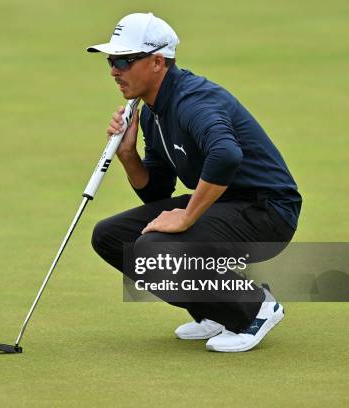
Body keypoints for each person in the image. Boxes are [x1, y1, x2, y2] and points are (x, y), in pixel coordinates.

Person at [86, 12, 302, 352]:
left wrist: (187, 217)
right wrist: (128, 155)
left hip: (268, 211)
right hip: (224, 205)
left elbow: (227, 155)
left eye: (124, 60)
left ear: (158, 62)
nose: (115, 69)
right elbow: (157, 190)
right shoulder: (151, 112)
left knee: (155, 249)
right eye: (112, 60)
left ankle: (254, 308)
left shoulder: (194, 101)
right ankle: (217, 311)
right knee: (112, 237)